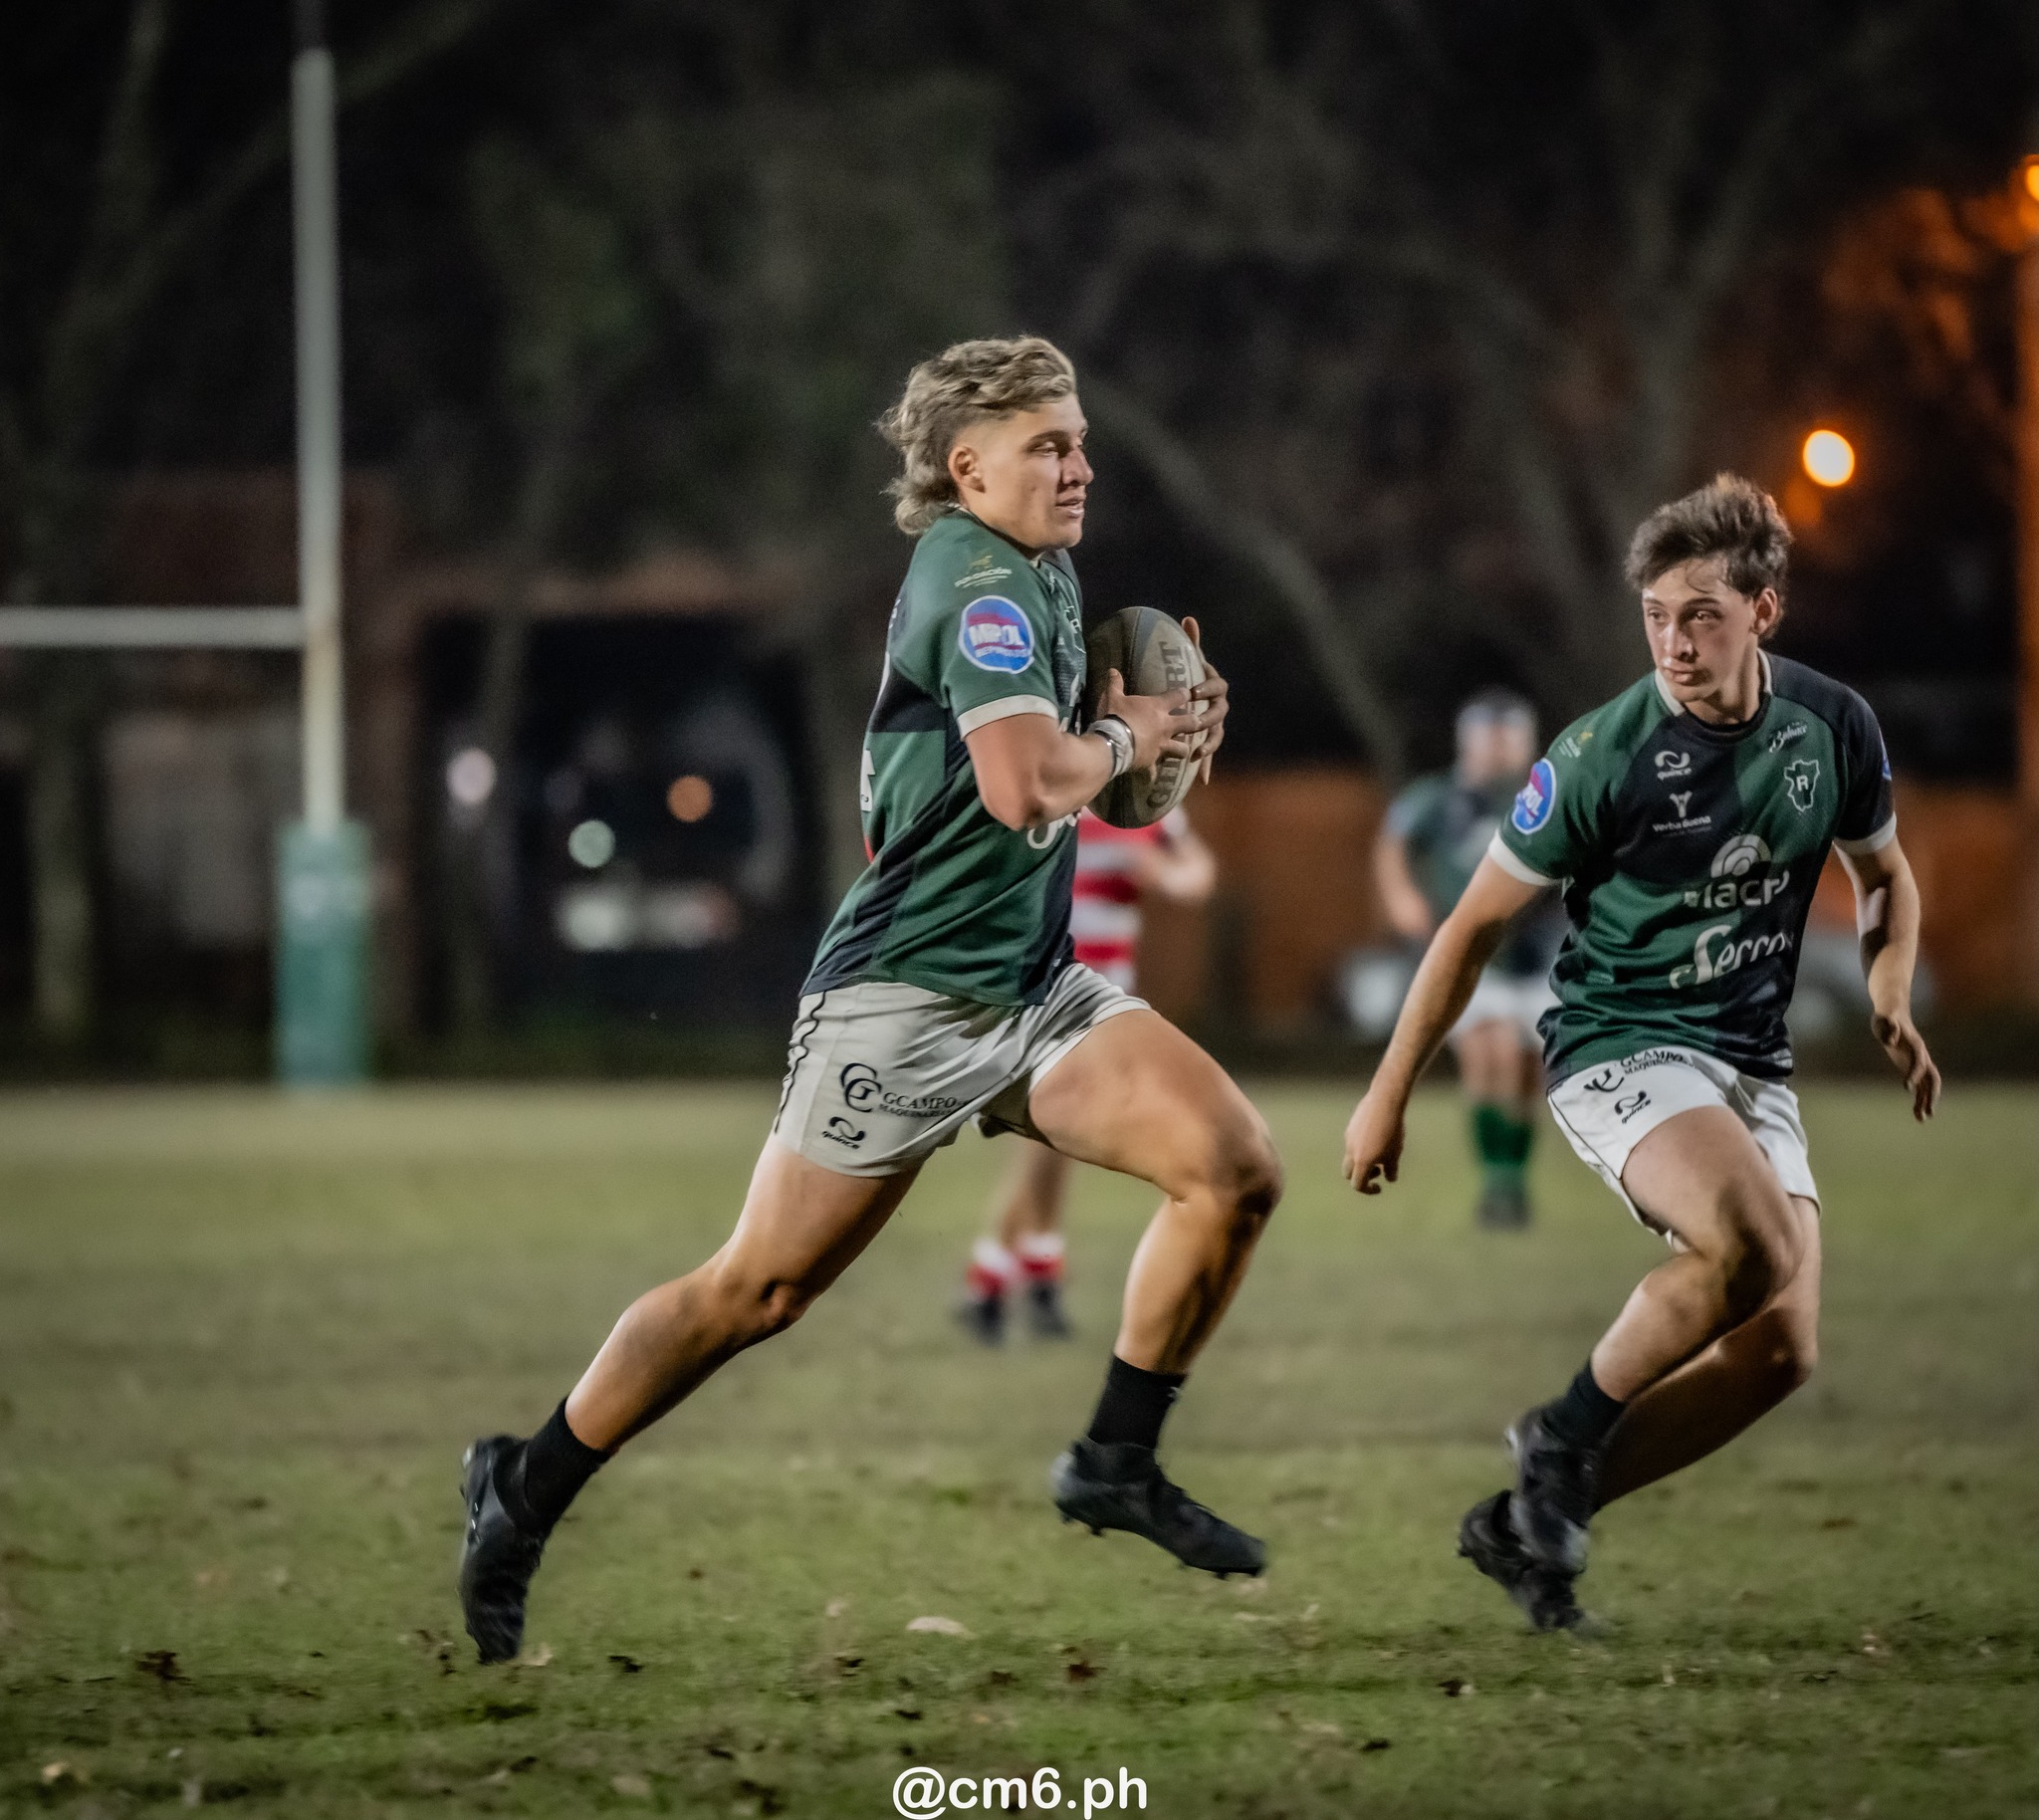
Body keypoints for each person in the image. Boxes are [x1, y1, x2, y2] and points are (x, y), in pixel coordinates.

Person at [458, 336, 1283, 1663]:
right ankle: (525, 1486)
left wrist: (1164, 735)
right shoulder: (974, 581)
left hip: (1028, 987)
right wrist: (1132, 738)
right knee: (755, 1294)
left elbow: (1089, 772)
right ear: (968, 468)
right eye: (1047, 448)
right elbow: (1027, 785)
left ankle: (1115, 1463)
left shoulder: (1048, 575)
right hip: (904, 999)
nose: (1078, 467)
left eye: (1079, 441)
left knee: (1233, 1167)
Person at [1342, 474, 1939, 1632]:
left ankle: (1525, 1520)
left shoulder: (1831, 726)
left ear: (1763, 611)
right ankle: (1559, 1435)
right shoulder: (1595, 757)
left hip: (1748, 1063)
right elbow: (1467, 928)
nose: (1672, 639)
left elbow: (1884, 875)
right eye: (1656, 614)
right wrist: (1385, 1095)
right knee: (1752, 1244)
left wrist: (1885, 986)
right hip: (1620, 1042)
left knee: (1779, 1349)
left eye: (1701, 613)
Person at [960, 806, 1218, 1342]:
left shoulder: (1146, 800)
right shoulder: (1054, 791)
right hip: (1042, 990)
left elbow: (1199, 872)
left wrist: (1165, 875)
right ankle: (1000, 1274)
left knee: (1055, 1140)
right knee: (1049, 1133)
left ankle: (1024, 1269)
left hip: (1106, 998)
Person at [1376, 691, 1567, 1228]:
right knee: (1491, 1052)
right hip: (1466, 952)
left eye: (1511, 736)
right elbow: (1393, 841)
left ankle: (1512, 1178)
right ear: (1470, 741)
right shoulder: (1438, 797)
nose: (1501, 748)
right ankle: (1496, 1181)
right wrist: (1402, 898)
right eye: (1492, 735)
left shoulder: (1549, 794)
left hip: (1537, 952)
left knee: (1528, 1067)